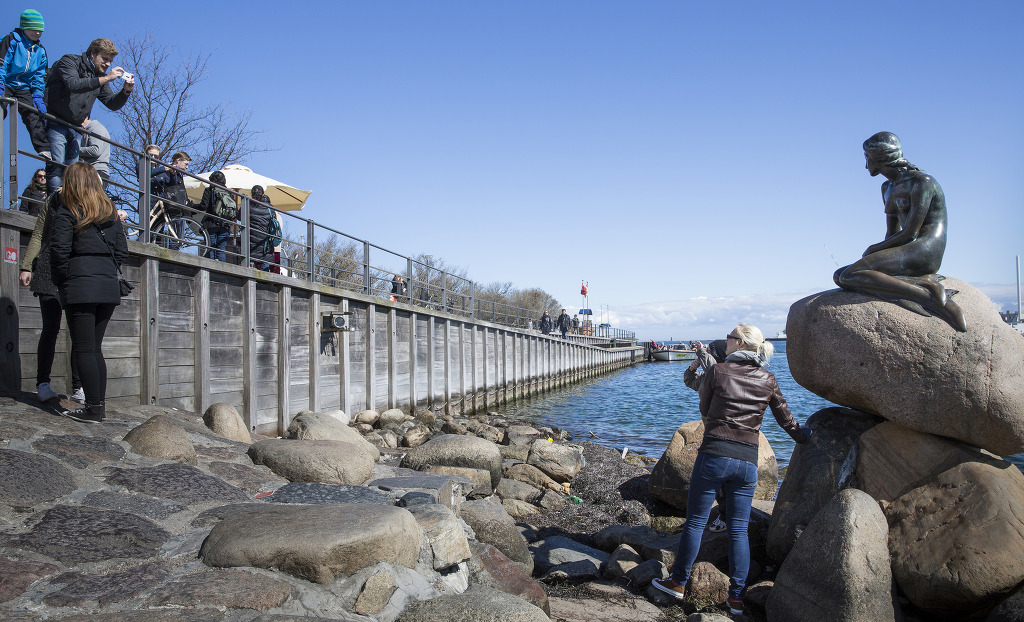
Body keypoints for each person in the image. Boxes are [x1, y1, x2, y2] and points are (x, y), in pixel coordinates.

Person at [651, 324, 811, 615]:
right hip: (747, 462)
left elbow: (705, 408)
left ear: (740, 343)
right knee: (738, 531)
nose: (725, 340)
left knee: (696, 522)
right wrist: (806, 437)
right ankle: (736, 599)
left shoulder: (718, 371)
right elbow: (786, 419)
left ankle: (677, 582)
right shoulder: (768, 378)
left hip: (714, 455)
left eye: (730, 336)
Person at [833, 131, 966, 332]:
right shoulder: (887, 187)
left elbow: (911, 233)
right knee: (839, 275)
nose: (866, 164)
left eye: (867, 157)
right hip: (907, 248)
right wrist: (876, 254)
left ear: (880, 156)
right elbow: (891, 233)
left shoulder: (922, 182)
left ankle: (930, 297)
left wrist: (872, 250)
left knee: (850, 275)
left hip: (925, 249)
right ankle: (920, 283)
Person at [48, 162, 128, 423]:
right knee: (95, 348)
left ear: (71, 182)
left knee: (83, 349)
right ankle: (98, 406)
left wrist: (62, 279)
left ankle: (93, 408)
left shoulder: (68, 210)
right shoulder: (111, 212)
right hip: (107, 284)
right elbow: (122, 252)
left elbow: (59, 251)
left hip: (80, 283)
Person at [19, 188, 85, 404]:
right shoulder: (54, 198)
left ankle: (79, 387)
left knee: (79, 330)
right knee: (50, 327)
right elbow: (39, 233)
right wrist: (26, 265)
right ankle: (43, 383)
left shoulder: (89, 199)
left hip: (74, 269)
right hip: (48, 268)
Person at [44, 37, 133, 192]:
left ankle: (67, 202)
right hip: (56, 121)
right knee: (57, 164)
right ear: (92, 53)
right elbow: (73, 84)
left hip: (76, 128)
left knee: (72, 172)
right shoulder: (70, 61)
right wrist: (106, 78)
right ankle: (53, 202)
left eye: (110, 61)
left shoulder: (99, 75)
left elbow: (111, 103)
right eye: (105, 59)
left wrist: (125, 91)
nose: (108, 64)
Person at [0, 9, 49, 156]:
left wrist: (37, 94)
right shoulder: (11, 40)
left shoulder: (40, 51)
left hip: (24, 87)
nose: (37, 33)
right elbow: (2, 64)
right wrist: (0, 83)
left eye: (40, 30)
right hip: (6, 82)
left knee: (32, 115)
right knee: (1, 108)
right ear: (24, 27)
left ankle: (43, 148)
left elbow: (40, 75)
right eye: (33, 29)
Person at [198, 170, 235, 262]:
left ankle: (210, 267)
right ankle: (221, 268)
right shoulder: (229, 193)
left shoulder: (210, 190)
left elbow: (203, 206)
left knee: (210, 247)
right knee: (221, 249)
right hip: (225, 225)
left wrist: (192, 206)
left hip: (211, 223)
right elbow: (235, 211)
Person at [248, 185, 274, 271]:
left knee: (250, 265)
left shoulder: (249, 204)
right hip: (266, 241)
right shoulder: (270, 208)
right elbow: (273, 222)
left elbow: (240, 217)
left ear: (252, 194)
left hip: (251, 239)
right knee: (265, 264)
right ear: (263, 194)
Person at [79, 118, 110, 187]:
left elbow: (95, 150)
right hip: (91, 171)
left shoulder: (96, 128)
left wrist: (75, 150)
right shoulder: (88, 130)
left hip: (96, 172)